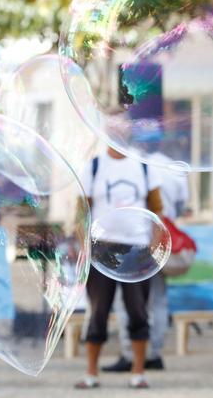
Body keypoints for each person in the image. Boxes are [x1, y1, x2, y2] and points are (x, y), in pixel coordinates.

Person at [76, 138, 164, 390]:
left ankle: (138, 372)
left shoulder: (144, 166)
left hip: (137, 248)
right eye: (113, 128)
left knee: (138, 310)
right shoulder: (93, 166)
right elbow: (81, 210)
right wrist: (83, 245)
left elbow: (157, 209)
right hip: (102, 247)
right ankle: (91, 373)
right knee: (98, 310)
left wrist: (154, 246)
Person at [103, 143, 187, 373]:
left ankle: (130, 355)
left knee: (129, 303)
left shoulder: (135, 167)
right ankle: (154, 354)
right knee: (157, 300)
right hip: (156, 240)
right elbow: (178, 206)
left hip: (138, 242)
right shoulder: (167, 168)